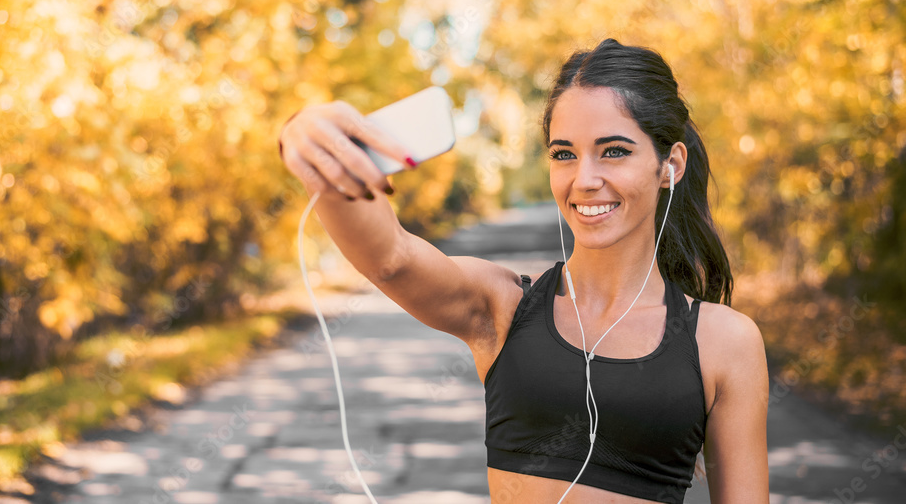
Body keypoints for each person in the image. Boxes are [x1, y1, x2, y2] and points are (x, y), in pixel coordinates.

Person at [277, 38, 769, 503]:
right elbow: (393, 259)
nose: (585, 179)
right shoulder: (503, 308)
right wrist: (308, 134)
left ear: (670, 165)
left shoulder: (725, 342)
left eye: (614, 151)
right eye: (564, 154)